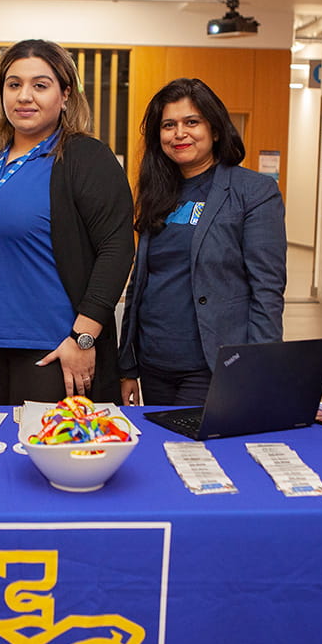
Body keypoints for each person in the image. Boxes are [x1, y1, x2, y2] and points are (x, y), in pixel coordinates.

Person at [0, 39, 134, 405]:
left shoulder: (85, 157)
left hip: (51, 348)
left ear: (65, 94)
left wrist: (83, 337)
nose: (25, 96)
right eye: (14, 84)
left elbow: (117, 248)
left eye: (40, 85)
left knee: (45, 458)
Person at [118, 78, 286, 406]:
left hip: (212, 364)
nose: (179, 133)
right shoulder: (157, 192)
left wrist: (258, 368)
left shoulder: (253, 192)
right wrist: (127, 366)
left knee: (200, 454)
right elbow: (140, 283)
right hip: (154, 363)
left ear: (216, 129)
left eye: (191, 122)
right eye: (169, 125)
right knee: (160, 451)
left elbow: (267, 290)